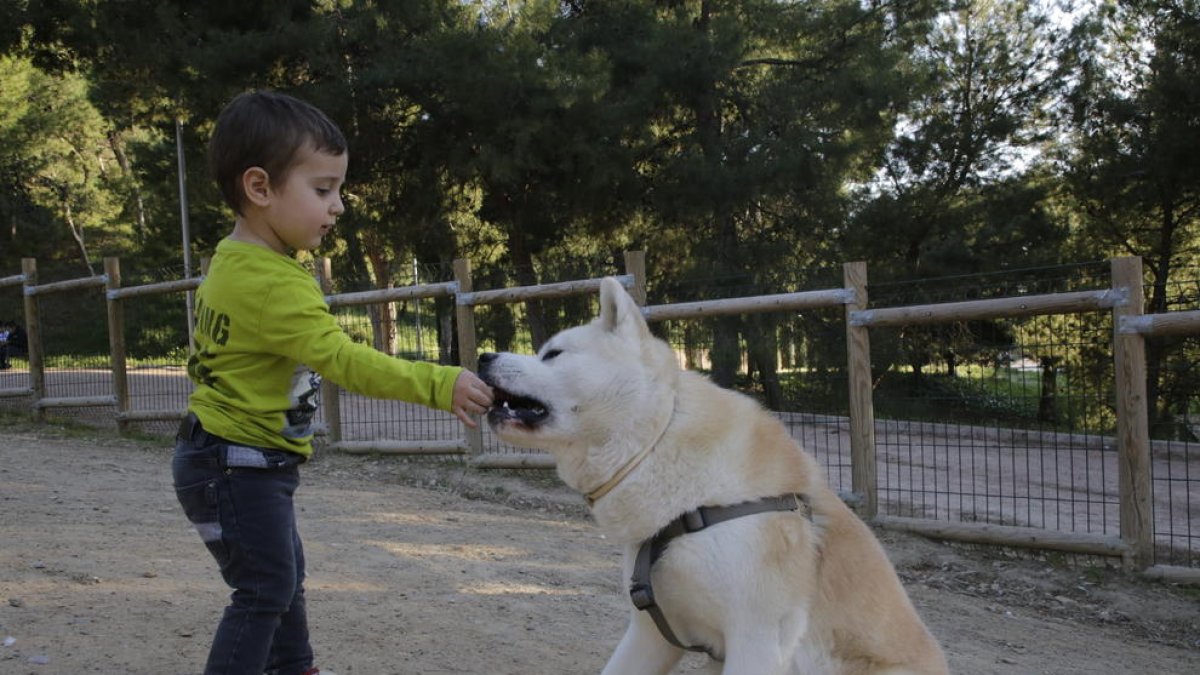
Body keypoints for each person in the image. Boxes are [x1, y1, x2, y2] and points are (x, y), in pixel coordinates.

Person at [173, 90, 493, 675]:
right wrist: (437, 382)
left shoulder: (233, 258)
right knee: (265, 591)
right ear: (260, 188)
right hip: (237, 464)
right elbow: (345, 361)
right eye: (322, 190)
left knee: (281, 581)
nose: (338, 206)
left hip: (225, 456)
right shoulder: (276, 284)